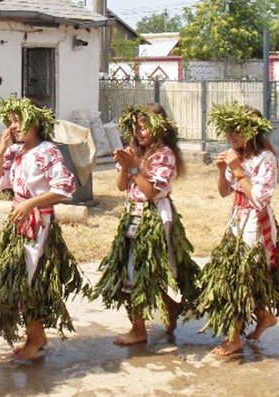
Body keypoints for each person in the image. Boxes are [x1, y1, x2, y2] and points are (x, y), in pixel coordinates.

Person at [0, 96, 88, 361]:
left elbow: (66, 187)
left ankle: (34, 338)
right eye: (11, 121)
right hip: (18, 223)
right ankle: (37, 335)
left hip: (38, 224)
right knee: (17, 279)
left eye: (19, 120)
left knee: (26, 281)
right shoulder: (14, 152)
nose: (14, 126)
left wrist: (31, 203)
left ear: (37, 123)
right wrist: (0, 150)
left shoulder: (48, 151)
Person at [92, 103, 200, 345]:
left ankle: (139, 330)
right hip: (133, 214)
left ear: (160, 128)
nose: (141, 133)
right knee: (136, 269)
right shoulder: (134, 150)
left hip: (152, 215)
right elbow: (121, 186)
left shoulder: (164, 155)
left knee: (140, 269)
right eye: (138, 128)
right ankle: (170, 307)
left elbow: (151, 191)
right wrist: (125, 165)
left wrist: (133, 166)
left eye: (146, 128)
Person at [196, 102, 279, 356]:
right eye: (228, 131)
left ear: (253, 131)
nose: (231, 136)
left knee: (241, 278)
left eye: (237, 131)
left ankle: (234, 339)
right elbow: (224, 193)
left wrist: (236, 170)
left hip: (256, 225)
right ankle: (263, 315)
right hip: (237, 221)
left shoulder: (266, 159)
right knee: (237, 276)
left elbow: (258, 199)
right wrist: (223, 171)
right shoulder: (237, 156)